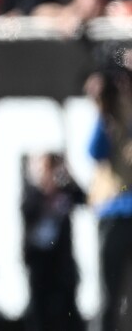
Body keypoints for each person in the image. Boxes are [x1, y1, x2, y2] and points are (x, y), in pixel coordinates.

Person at [85, 63, 132, 331]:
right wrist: (104, 112)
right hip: (114, 208)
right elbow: (95, 152)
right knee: (108, 292)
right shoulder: (110, 117)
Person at [21, 152, 84, 331]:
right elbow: (28, 212)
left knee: (65, 302)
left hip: (61, 258)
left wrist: (68, 175)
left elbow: (82, 197)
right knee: (40, 305)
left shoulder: (65, 191)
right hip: (39, 257)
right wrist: (46, 194)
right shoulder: (33, 192)